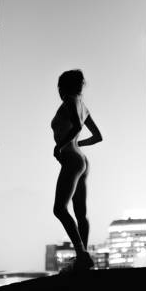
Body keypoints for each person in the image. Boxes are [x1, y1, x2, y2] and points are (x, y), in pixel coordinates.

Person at [51, 68, 103, 270]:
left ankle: (81, 254)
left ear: (63, 86)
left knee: (59, 208)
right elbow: (97, 137)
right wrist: (77, 146)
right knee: (80, 213)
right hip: (81, 160)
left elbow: (76, 128)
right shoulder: (83, 106)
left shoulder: (70, 101)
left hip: (72, 160)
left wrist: (61, 145)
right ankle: (83, 257)